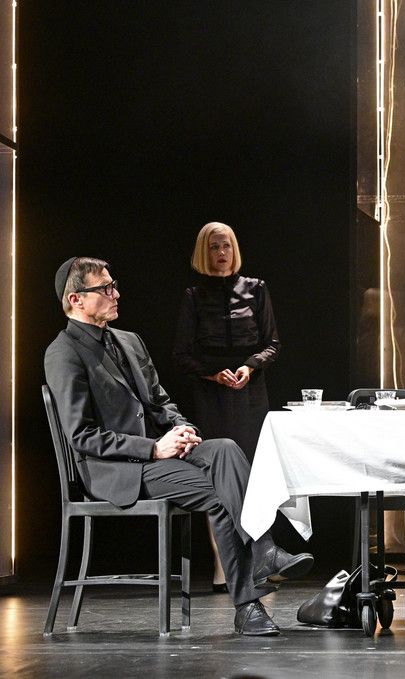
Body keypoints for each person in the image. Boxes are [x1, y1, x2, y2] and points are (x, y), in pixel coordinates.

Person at [45, 256, 313, 636]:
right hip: (118, 469)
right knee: (219, 495)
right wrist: (154, 449)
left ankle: (264, 552)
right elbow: (82, 436)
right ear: (76, 299)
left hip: (159, 455)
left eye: (114, 285)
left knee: (224, 447)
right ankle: (248, 601)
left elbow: (160, 401)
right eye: (105, 288)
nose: (116, 294)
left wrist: (183, 428)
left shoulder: (129, 341)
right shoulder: (64, 352)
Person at [172, 222, 281, 592]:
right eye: (215, 247)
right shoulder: (193, 295)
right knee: (218, 480)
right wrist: (214, 374)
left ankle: (261, 562)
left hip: (250, 393)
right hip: (211, 395)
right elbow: (182, 354)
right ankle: (224, 566)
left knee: (254, 476)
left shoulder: (256, 288)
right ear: (204, 252)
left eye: (227, 246)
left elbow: (272, 343)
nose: (222, 253)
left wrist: (250, 366)